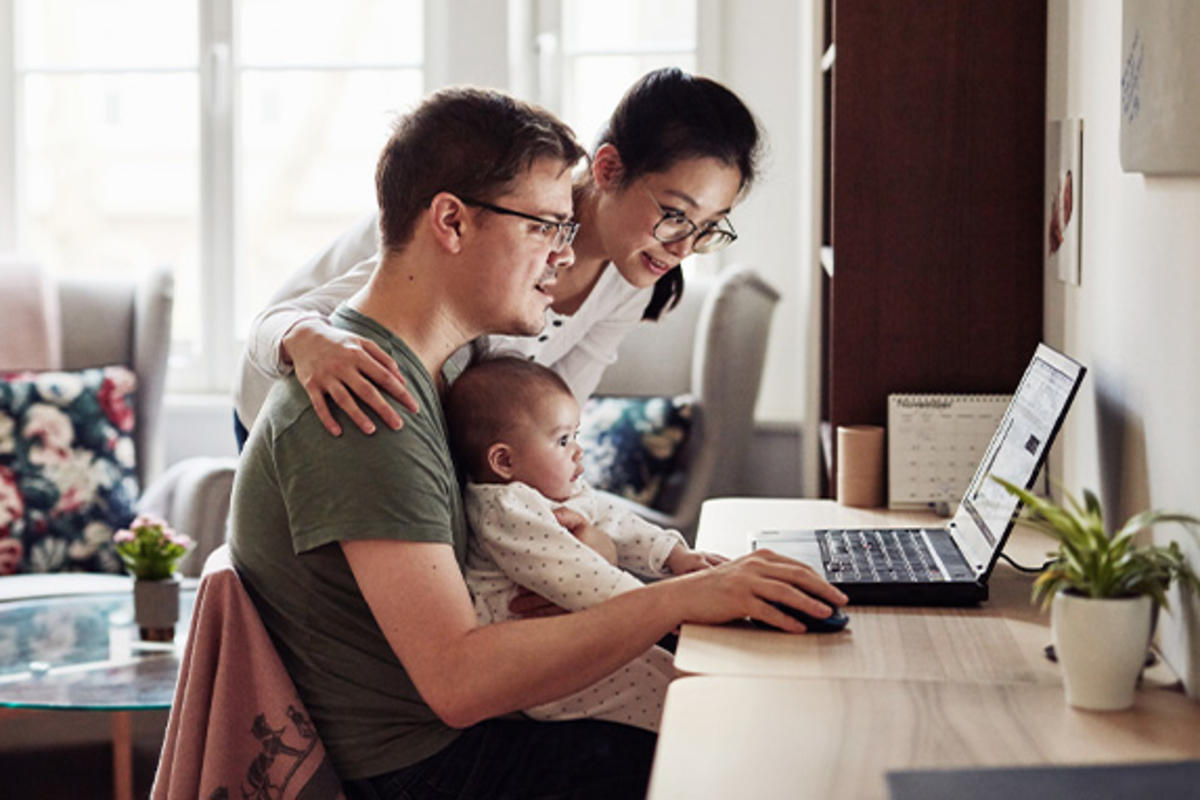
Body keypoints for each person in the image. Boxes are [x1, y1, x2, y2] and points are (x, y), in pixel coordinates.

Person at [229, 85, 847, 800]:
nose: (563, 259)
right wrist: (680, 598)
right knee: (751, 762)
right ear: (453, 224)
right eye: (547, 228)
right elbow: (459, 681)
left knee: (746, 724)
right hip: (429, 762)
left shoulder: (452, 373)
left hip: (447, 728)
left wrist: (621, 566)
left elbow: (552, 445)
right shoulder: (367, 394)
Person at [233, 67, 762, 448]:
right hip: (284, 391)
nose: (683, 248)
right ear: (607, 169)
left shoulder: (630, 278)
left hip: (399, 416)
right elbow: (273, 323)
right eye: (674, 214)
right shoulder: (491, 224)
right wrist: (308, 340)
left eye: (708, 228)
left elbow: (554, 410)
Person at [445, 354, 726, 733]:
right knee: (672, 697)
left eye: (576, 436)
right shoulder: (506, 508)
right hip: (541, 667)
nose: (578, 450)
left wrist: (675, 557)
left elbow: (615, 521)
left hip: (583, 631)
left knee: (683, 675)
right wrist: (666, 608)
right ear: (504, 461)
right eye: (562, 440)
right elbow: (575, 575)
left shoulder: (558, 491)